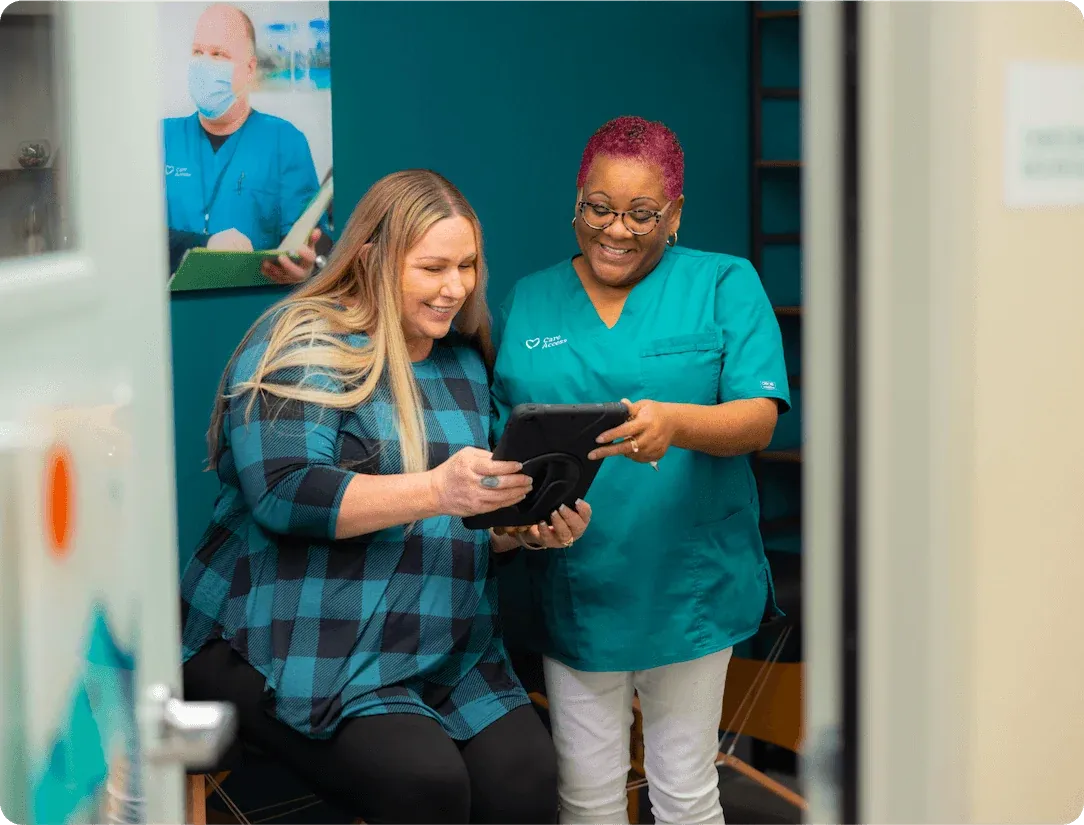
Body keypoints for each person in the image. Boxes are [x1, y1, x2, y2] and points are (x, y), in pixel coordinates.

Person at [180, 169, 593, 824]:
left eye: (466, 265)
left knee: (527, 780)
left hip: (442, 639)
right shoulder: (298, 342)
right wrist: (436, 488)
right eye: (432, 267)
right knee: (425, 784)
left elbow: (472, 516)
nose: (455, 287)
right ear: (372, 257)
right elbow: (285, 491)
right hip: (291, 637)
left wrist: (523, 528)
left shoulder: (461, 362)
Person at [491, 116, 791, 825]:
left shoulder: (723, 282)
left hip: (688, 584)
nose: (615, 230)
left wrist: (676, 421)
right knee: (587, 793)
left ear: (674, 215)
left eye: (640, 213)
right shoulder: (530, 299)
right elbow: (502, 438)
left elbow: (759, 416)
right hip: (578, 583)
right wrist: (521, 522)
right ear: (577, 201)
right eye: (598, 207)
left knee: (684, 789)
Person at [163, 2, 329, 283]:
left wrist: (307, 266)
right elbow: (133, 235)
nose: (204, 64)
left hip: (253, 309)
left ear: (250, 69)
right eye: (197, 52)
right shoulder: (160, 139)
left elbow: (315, 239)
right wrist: (205, 245)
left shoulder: (284, 142)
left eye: (218, 55)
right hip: (168, 313)